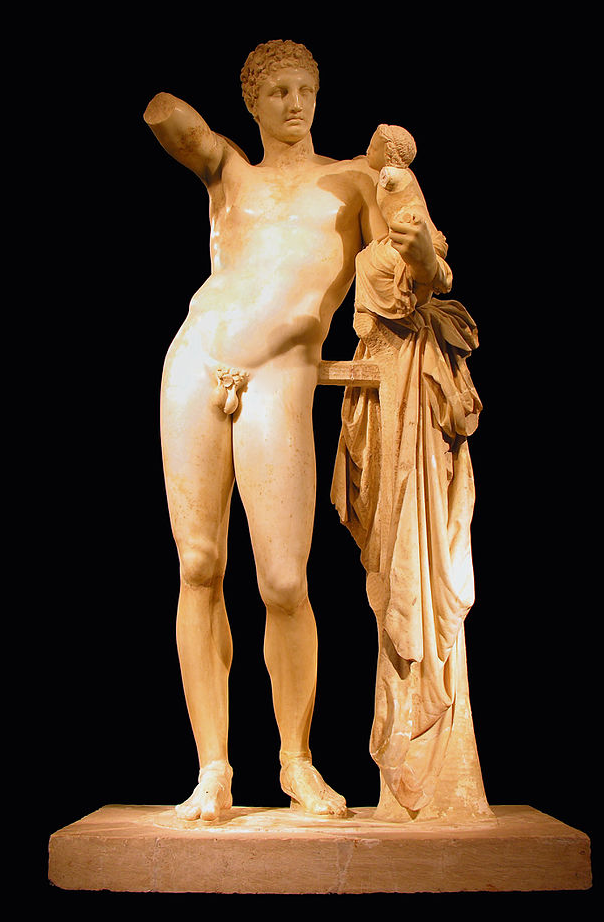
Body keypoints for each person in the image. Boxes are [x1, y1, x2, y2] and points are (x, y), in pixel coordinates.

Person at [143, 40, 440, 821]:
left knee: (282, 580)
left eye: (305, 87)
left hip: (282, 371)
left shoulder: (353, 179)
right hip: (196, 358)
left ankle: (296, 758)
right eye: (277, 90)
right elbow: (172, 124)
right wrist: (177, 119)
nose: (295, 102)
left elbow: (414, 264)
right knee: (199, 564)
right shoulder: (229, 172)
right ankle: (213, 767)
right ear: (253, 102)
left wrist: (417, 240)